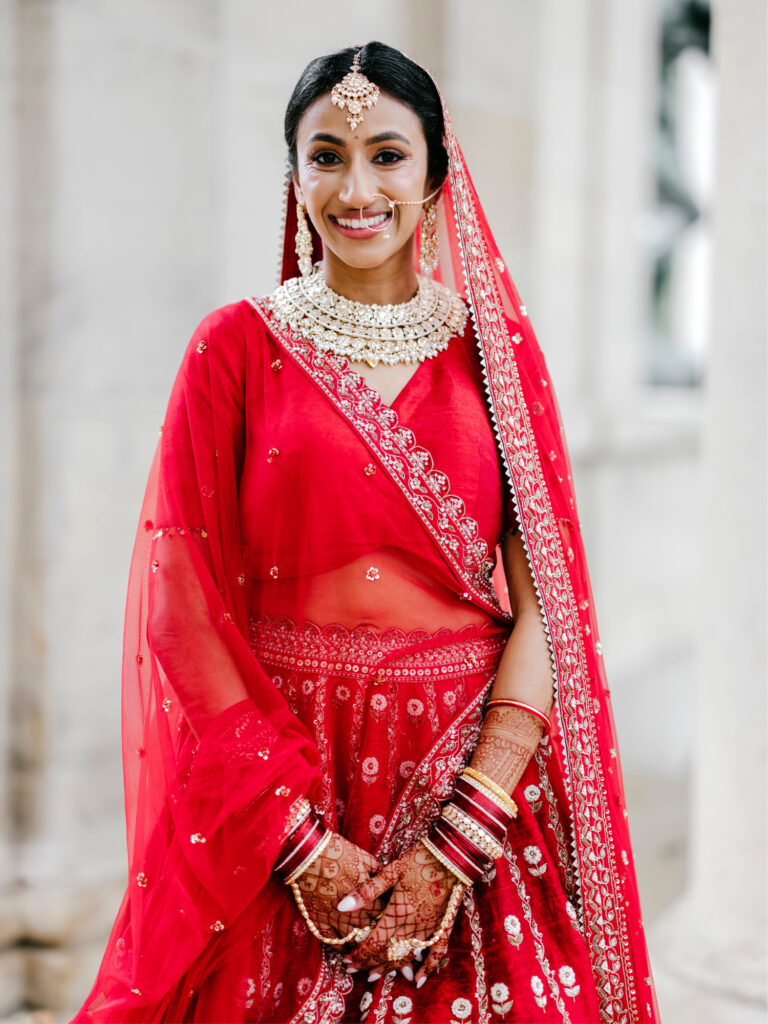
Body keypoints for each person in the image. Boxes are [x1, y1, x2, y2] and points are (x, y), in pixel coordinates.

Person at [73, 42, 660, 1024]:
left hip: (468, 781)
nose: (358, 186)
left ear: (435, 174)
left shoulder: (495, 358)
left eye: (387, 154)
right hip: (284, 777)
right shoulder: (235, 348)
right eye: (327, 156)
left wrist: (462, 833)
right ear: (294, 176)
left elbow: (547, 609)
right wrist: (296, 840)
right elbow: (180, 606)